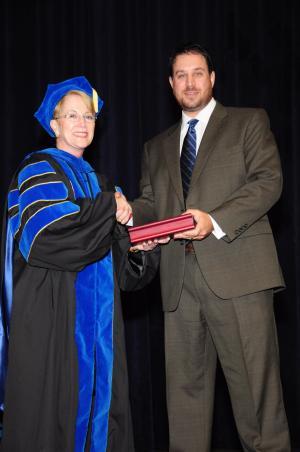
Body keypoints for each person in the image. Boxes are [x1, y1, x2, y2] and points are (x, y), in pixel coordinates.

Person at [132, 43, 291, 451]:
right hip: (178, 285)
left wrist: (213, 220)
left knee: (257, 408)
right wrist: (127, 213)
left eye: (198, 73)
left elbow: (267, 182)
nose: (190, 82)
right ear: (170, 84)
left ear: (212, 78)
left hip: (239, 275)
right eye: (181, 75)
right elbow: (152, 204)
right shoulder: (156, 146)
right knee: (184, 411)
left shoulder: (248, 123)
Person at [0, 76, 159, 452]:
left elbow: (121, 269)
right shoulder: (36, 170)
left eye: (88, 116)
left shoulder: (101, 184)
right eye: (71, 115)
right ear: (54, 125)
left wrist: (139, 246)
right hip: (54, 324)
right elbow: (53, 238)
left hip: (100, 330)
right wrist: (110, 207)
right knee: (53, 416)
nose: (82, 123)